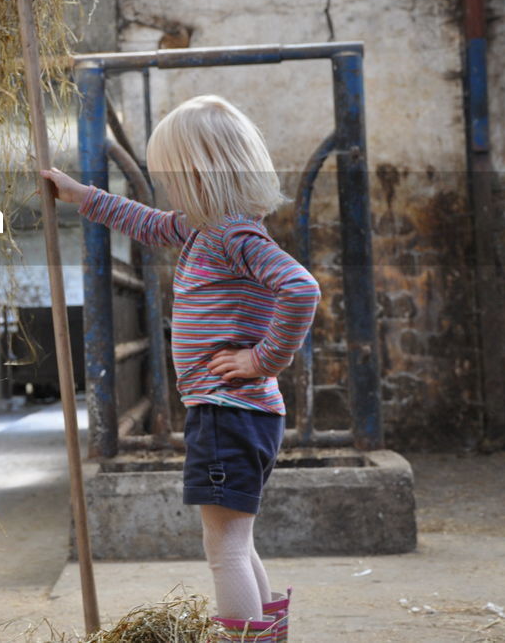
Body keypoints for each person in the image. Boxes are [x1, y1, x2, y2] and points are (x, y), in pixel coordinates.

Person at [41, 94, 319, 641]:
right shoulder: (205, 229)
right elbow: (146, 222)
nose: (166, 188)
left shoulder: (231, 236)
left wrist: (263, 358)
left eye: (170, 175)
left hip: (228, 411)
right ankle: (266, 636)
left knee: (224, 550)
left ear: (198, 174)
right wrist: (83, 197)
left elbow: (301, 288)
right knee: (237, 542)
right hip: (237, 413)